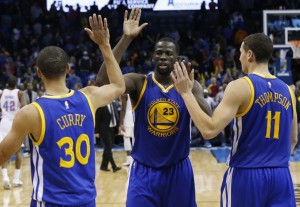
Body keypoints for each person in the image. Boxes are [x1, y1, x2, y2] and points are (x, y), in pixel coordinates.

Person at [0, 14, 125, 206]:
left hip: (50, 202)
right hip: (86, 200)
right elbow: (118, 85)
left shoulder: (31, 113)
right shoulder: (88, 97)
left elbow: (2, 156)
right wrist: (105, 46)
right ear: (68, 69)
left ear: (38, 72)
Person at [96, 8, 211, 207]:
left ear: (177, 58)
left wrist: (188, 91)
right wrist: (126, 39)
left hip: (178, 171)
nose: (163, 56)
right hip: (144, 172)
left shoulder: (191, 86)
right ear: (152, 58)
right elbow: (102, 80)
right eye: (159, 53)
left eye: (168, 53)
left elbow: (209, 121)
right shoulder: (139, 82)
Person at [171, 33, 298, 207]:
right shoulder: (288, 90)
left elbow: (209, 130)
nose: (239, 57)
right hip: (281, 176)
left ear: (250, 55)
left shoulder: (241, 86)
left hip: (246, 175)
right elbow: (293, 140)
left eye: (240, 52)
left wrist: (186, 93)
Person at [0, 75, 26, 189]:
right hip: (15, 123)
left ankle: (5, 178)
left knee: (3, 152)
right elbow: (25, 107)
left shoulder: (2, 93)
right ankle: (16, 179)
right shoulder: (20, 93)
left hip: (3, 122)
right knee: (18, 152)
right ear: (16, 83)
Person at [95, 102, 121, 173]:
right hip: (104, 130)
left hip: (113, 129)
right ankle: (114, 166)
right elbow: (97, 119)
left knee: (107, 148)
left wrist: (118, 128)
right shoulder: (101, 105)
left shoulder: (113, 104)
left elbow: (116, 117)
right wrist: (96, 131)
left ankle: (103, 166)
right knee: (108, 148)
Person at [119, 93, 134, 166]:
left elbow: (123, 109)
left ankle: (129, 160)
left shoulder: (124, 94)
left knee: (126, 138)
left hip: (127, 117)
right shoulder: (136, 91)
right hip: (135, 116)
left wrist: (121, 123)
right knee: (135, 139)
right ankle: (135, 160)